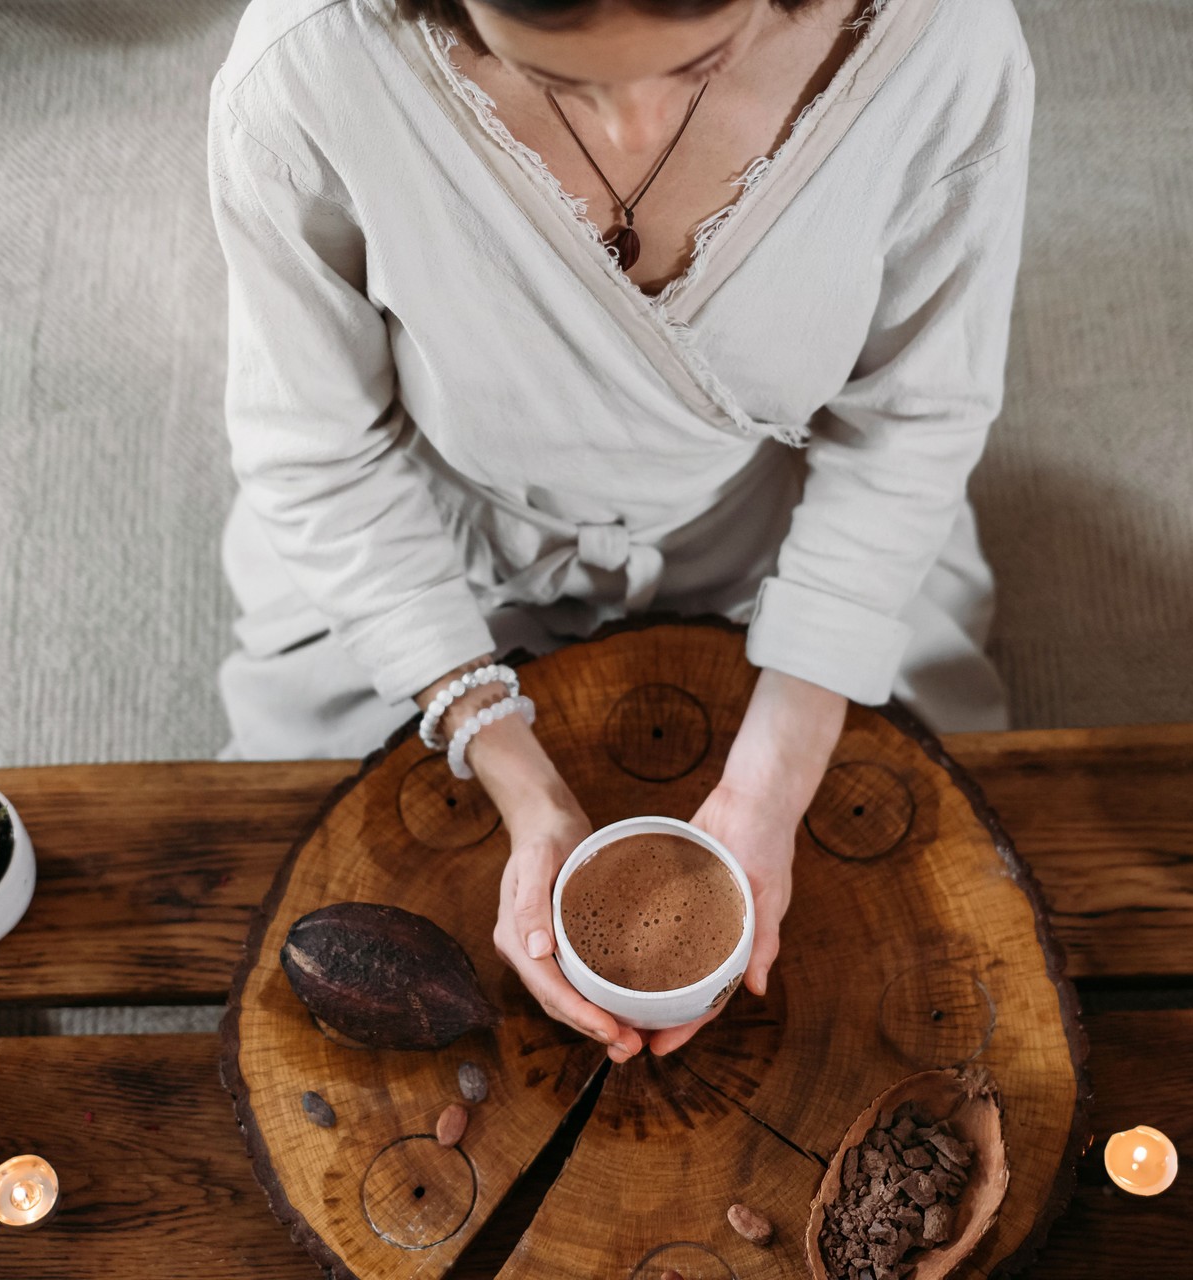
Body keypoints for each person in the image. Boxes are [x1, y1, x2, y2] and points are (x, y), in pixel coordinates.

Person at [209, 0, 1033, 1063]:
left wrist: (770, 781)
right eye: (556, 80)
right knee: (304, 877)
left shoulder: (946, 44)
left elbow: (912, 417)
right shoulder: (307, 66)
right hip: (440, 525)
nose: (634, 129)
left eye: (701, 64)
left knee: (931, 865)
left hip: (764, 519)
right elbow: (320, 451)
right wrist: (514, 771)